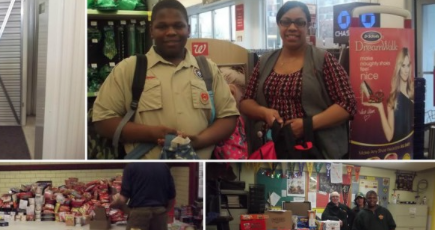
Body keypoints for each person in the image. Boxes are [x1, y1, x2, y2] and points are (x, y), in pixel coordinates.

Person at [92, 0, 239, 159]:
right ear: (151, 31)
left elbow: (228, 117)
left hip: (200, 169)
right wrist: (151, 134)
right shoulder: (129, 69)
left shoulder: (207, 69)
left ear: (188, 30)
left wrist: (198, 141)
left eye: (178, 26)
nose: (171, 32)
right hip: (147, 171)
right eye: (162, 27)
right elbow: (103, 121)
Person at [240, 1, 356, 159]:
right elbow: (246, 102)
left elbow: (348, 104)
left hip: (315, 148)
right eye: (286, 22)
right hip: (272, 147)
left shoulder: (323, 60)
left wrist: (307, 125)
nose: (292, 27)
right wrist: (264, 112)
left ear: (308, 26)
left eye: (300, 22)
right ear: (279, 25)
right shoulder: (265, 61)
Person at [111, 163, 176, 230]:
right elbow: (171, 197)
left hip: (139, 214)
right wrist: (164, 212)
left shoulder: (131, 167)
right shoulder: (164, 166)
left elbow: (123, 200)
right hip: (160, 213)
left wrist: (112, 204)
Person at [361, 47, 414, 143]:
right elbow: (389, 136)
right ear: (398, 67)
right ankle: (364, 87)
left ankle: (364, 87)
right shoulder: (393, 98)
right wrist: (381, 108)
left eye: (408, 65)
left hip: (409, 147)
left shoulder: (413, 92)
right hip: (397, 148)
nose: (406, 70)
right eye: (403, 65)